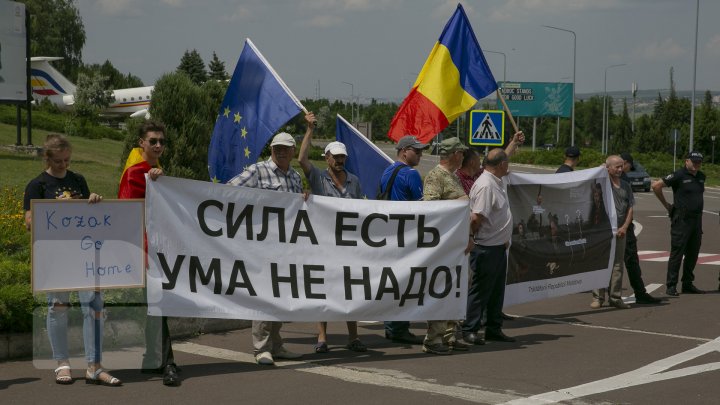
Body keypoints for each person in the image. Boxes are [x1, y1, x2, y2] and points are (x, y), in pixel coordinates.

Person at [23, 134, 120, 386]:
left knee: (94, 307)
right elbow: (28, 223)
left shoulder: (78, 180)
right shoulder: (38, 185)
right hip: (56, 257)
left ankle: (94, 366)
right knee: (58, 308)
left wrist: (94, 201)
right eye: (58, 161)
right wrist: (45, 212)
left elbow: (92, 217)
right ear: (47, 158)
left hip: (84, 254)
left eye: (67, 160)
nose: (63, 165)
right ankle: (62, 363)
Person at [227, 130, 306, 365]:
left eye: (285, 148)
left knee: (281, 296)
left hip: (287, 247)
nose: (280, 152)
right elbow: (227, 191)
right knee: (264, 296)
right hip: (261, 246)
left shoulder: (295, 177)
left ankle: (277, 344)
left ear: (293, 151)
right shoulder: (257, 170)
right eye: (276, 148)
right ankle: (261, 348)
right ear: (271, 150)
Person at [297, 113, 367, 354]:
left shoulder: (354, 181)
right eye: (335, 157)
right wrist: (309, 130)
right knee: (324, 290)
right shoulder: (318, 178)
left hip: (348, 244)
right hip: (324, 244)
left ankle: (354, 337)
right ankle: (322, 337)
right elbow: (302, 159)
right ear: (326, 158)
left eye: (342, 157)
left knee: (350, 289)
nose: (339, 160)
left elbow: (360, 209)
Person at [118, 120, 180, 386]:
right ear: (141, 142)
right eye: (152, 141)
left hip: (160, 248)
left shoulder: (157, 173)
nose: (157, 145)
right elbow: (127, 213)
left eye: (161, 141)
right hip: (144, 249)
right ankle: (167, 362)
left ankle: (152, 358)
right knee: (158, 303)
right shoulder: (135, 174)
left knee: (155, 305)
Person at [462, 135, 523, 346]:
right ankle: (470, 329)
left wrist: (513, 143)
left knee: (496, 291)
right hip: (486, 247)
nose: (508, 166)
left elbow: (503, 157)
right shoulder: (487, 185)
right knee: (480, 291)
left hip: (497, 247)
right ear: (501, 166)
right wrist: (473, 238)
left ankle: (493, 328)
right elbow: (476, 218)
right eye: (507, 163)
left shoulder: (496, 178)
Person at [420, 137, 471, 355]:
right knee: (441, 290)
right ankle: (433, 339)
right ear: (453, 154)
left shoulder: (453, 177)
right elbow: (430, 209)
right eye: (461, 153)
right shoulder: (435, 176)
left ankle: (450, 334)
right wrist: (456, 205)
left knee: (456, 290)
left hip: (457, 244)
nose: (463, 156)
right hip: (443, 245)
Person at [378, 135, 429, 345]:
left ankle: (392, 325)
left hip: (388, 234)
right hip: (406, 235)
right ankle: (399, 328)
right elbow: (422, 206)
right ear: (404, 151)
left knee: (392, 282)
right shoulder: (411, 174)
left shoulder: (387, 171)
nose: (420, 155)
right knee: (406, 284)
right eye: (417, 151)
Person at [651, 151, 706, 296]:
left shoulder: (701, 177)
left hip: (696, 220)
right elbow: (656, 186)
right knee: (677, 252)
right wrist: (667, 205)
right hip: (681, 219)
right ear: (686, 161)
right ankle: (671, 285)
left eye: (699, 162)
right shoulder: (678, 175)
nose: (696, 164)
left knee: (693, 253)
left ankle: (687, 283)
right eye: (693, 161)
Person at [590, 155, 633, 310]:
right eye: (617, 167)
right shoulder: (601, 183)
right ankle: (598, 297)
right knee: (600, 262)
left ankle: (615, 297)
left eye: (622, 166)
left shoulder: (626, 186)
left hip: (620, 231)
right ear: (608, 168)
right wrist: (602, 168)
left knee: (617, 265)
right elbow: (592, 176)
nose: (621, 169)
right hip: (602, 231)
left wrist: (625, 227)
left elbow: (630, 208)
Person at [620, 153, 661, 304]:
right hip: (622, 226)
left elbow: (629, 205)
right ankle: (638, 293)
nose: (623, 169)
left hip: (624, 225)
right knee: (628, 261)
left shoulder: (620, 178)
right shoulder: (619, 178)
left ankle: (636, 292)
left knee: (627, 261)